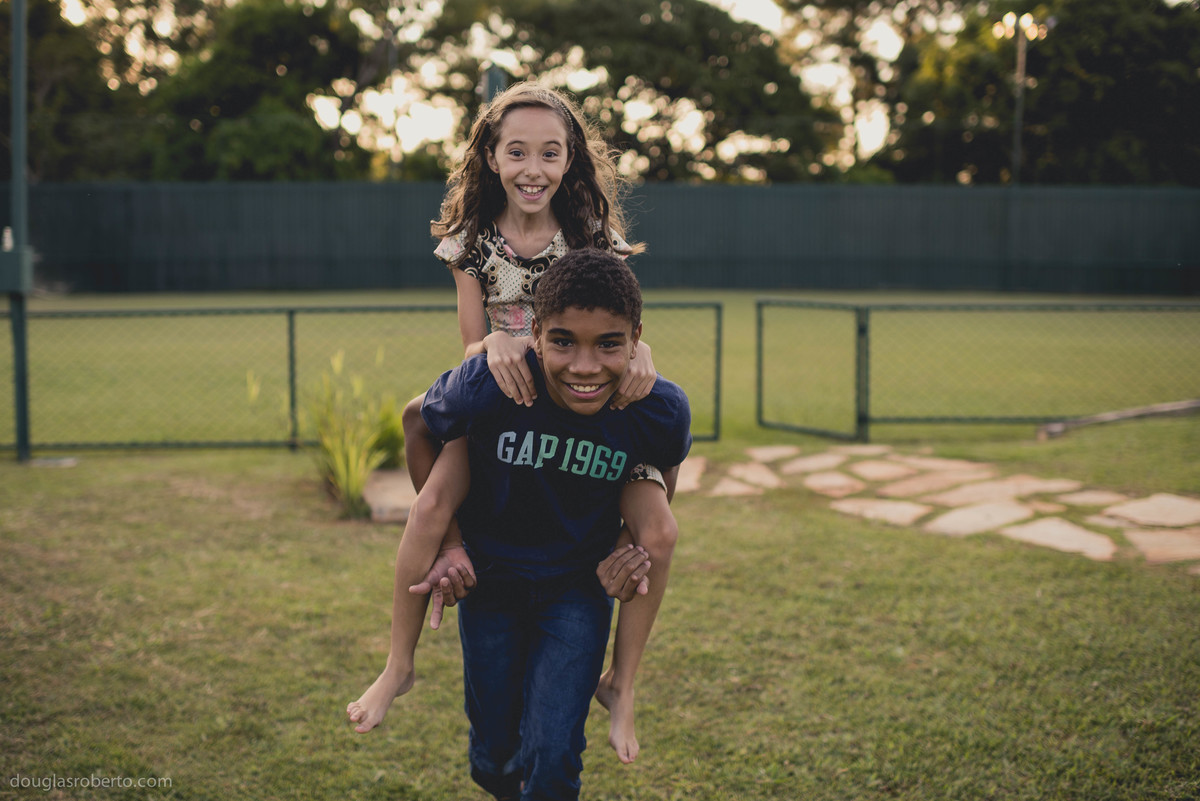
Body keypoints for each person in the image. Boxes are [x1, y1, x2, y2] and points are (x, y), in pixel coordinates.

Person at [347, 82, 679, 764]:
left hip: (589, 400)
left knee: (659, 528)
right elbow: (472, 340)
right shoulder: (472, 241)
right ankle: (398, 662)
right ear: (491, 158)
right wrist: (491, 346)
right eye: (518, 152)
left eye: (551, 153)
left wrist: (641, 351)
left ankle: (624, 680)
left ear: (570, 160)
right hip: (507, 394)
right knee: (433, 502)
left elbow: (615, 314)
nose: (534, 168)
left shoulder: (589, 234)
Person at [386, 248, 691, 800]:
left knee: (554, 758)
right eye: (563, 341)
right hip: (490, 583)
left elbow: (667, 463)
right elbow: (416, 423)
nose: (585, 365)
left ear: (636, 338)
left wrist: (628, 544)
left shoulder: (655, 406)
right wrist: (451, 542)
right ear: (535, 335)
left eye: (609, 344)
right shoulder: (495, 384)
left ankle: (607, 702)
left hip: (576, 590)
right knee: (494, 755)